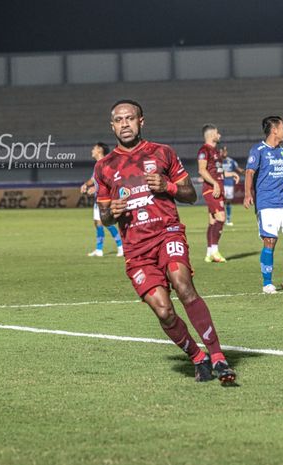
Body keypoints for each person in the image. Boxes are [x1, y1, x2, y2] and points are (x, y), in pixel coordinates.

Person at [94, 99, 236, 384]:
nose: (125, 124)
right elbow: (106, 216)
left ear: (141, 121)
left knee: (183, 285)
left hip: (167, 232)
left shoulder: (162, 153)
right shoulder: (105, 168)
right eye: (119, 120)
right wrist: (113, 212)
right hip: (137, 249)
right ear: (112, 126)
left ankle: (219, 357)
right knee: (163, 310)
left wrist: (167, 186)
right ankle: (198, 358)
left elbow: (190, 194)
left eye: (130, 118)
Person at [244, 116, 283, 294]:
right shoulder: (258, 150)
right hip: (267, 204)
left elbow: (275, 178)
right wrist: (248, 194)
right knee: (270, 241)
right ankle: (267, 283)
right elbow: (250, 172)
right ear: (274, 131)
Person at [80, 142, 123, 256]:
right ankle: (99, 249)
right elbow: (94, 179)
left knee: (106, 222)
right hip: (98, 199)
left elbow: (110, 180)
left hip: (106, 199)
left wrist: (95, 188)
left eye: (94, 148)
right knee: (98, 223)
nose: (92, 151)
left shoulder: (106, 164)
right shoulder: (98, 165)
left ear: (99, 150)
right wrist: (86, 184)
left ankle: (121, 246)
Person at [197, 124, 227, 263]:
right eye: (217, 132)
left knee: (213, 221)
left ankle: (209, 253)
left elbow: (217, 171)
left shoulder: (215, 151)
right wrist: (214, 183)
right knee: (221, 218)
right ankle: (215, 252)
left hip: (217, 188)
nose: (219, 135)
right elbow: (202, 170)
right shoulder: (204, 150)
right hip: (211, 189)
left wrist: (231, 173)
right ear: (211, 135)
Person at [220, 145, 244, 226]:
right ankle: (220, 219)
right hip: (221, 183)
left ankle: (228, 219)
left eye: (226, 151)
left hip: (229, 184)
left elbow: (238, 169)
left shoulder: (231, 161)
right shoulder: (217, 161)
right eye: (223, 151)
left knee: (228, 201)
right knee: (221, 201)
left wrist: (246, 172)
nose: (225, 152)